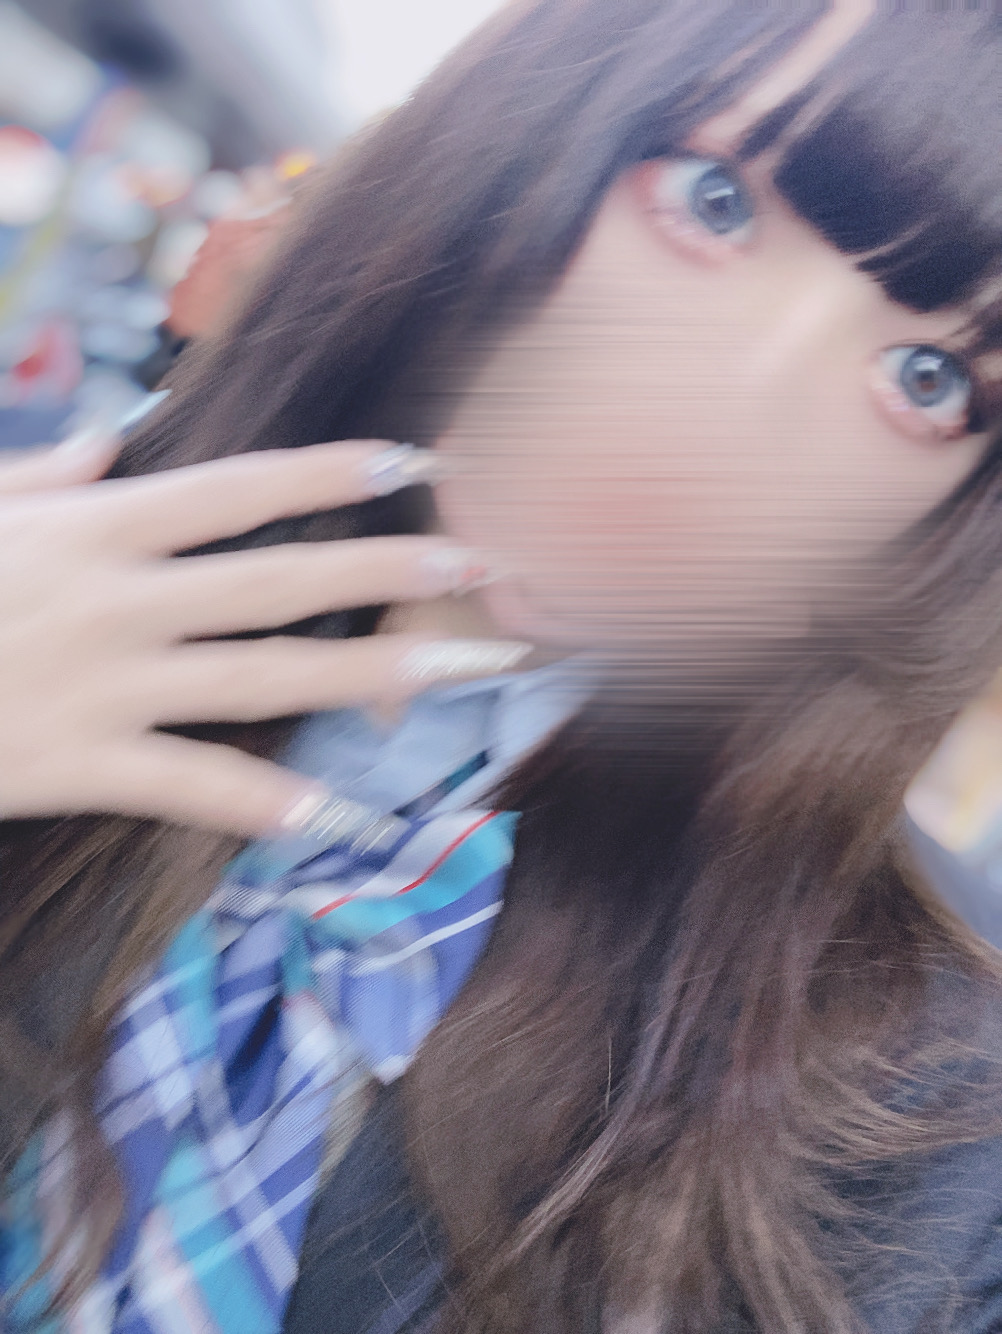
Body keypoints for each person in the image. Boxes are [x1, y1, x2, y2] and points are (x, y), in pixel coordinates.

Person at [3, 1, 1002, 1331]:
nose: (729, 410)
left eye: (928, 379)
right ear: (527, 135)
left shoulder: (931, 1126)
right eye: (712, 202)